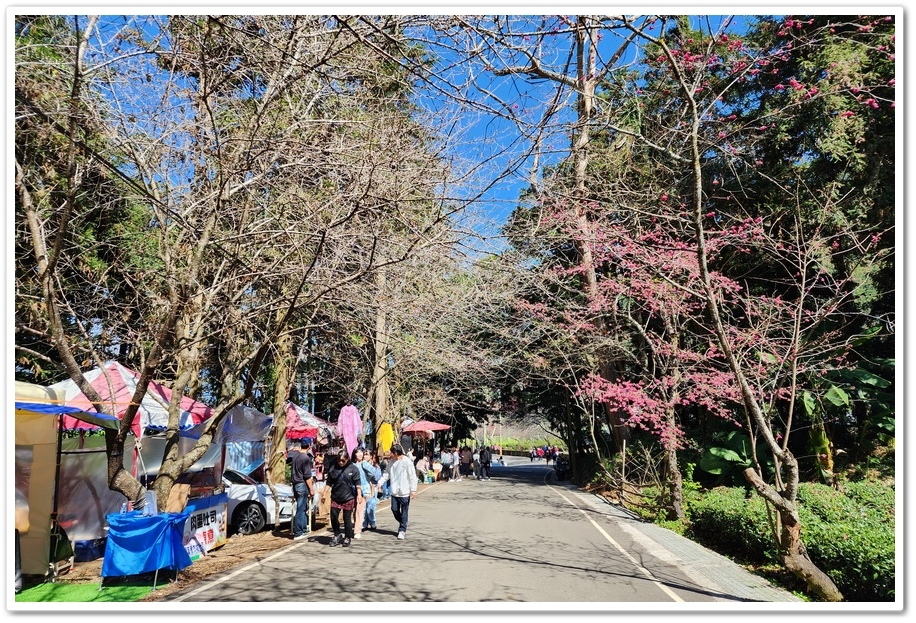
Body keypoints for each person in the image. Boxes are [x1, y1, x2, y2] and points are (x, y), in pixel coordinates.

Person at [376, 443, 418, 540]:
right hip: (395, 491)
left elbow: (412, 476)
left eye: (392, 452)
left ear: (397, 453)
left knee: (404, 511)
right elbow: (387, 474)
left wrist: (413, 490)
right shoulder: (391, 461)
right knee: (394, 509)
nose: (391, 454)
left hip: (405, 492)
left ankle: (402, 529)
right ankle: (403, 522)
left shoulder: (407, 462)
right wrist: (380, 483)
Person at [324, 449, 363, 547]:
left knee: (347, 518)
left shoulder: (353, 469)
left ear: (347, 459)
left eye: (343, 460)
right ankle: (337, 534)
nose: (341, 462)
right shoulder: (333, 468)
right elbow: (329, 482)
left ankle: (347, 537)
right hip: (336, 497)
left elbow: (358, 483)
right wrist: (324, 493)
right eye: (339, 460)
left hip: (349, 497)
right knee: (333, 516)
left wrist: (359, 495)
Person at [289, 441, 315, 540]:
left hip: (295, 484)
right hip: (302, 484)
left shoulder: (295, 456)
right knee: (300, 509)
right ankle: (298, 532)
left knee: (303, 507)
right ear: (309, 446)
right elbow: (307, 476)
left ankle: (304, 529)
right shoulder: (305, 458)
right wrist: (311, 489)